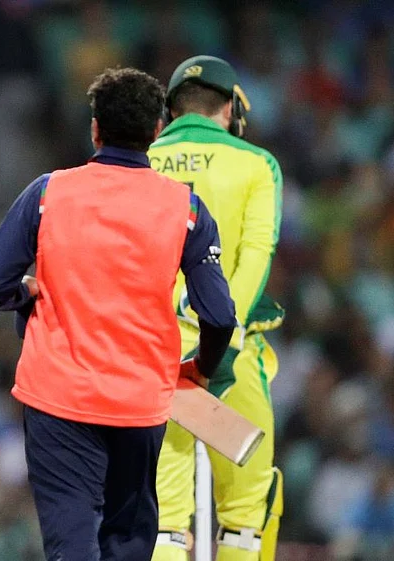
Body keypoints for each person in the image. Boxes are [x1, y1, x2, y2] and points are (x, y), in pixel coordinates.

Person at [0, 67, 237, 561]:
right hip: (140, 403)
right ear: (156, 131)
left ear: (95, 129)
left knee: (72, 543)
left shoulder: (48, 194)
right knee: (128, 542)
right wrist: (202, 369)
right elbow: (220, 317)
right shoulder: (187, 210)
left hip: (58, 400)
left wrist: (27, 293)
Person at [148, 55, 285, 561]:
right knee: (248, 513)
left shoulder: (140, 159)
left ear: (170, 110)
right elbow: (257, 255)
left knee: (161, 518)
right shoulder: (257, 164)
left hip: (154, 355)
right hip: (229, 354)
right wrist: (224, 338)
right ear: (230, 108)